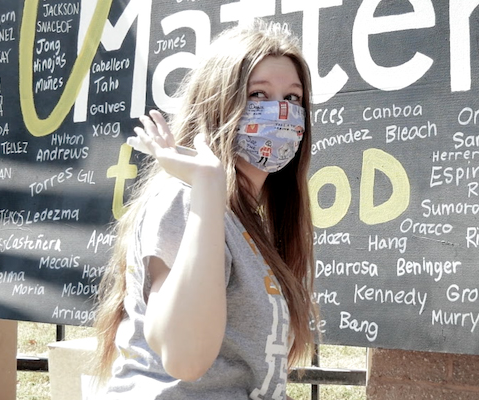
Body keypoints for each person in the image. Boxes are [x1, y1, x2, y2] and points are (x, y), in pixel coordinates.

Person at [93, 22, 318, 399]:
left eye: (292, 98)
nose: (280, 112)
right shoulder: (186, 199)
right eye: (258, 94)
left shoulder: (246, 219)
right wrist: (209, 184)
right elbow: (185, 359)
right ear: (218, 103)